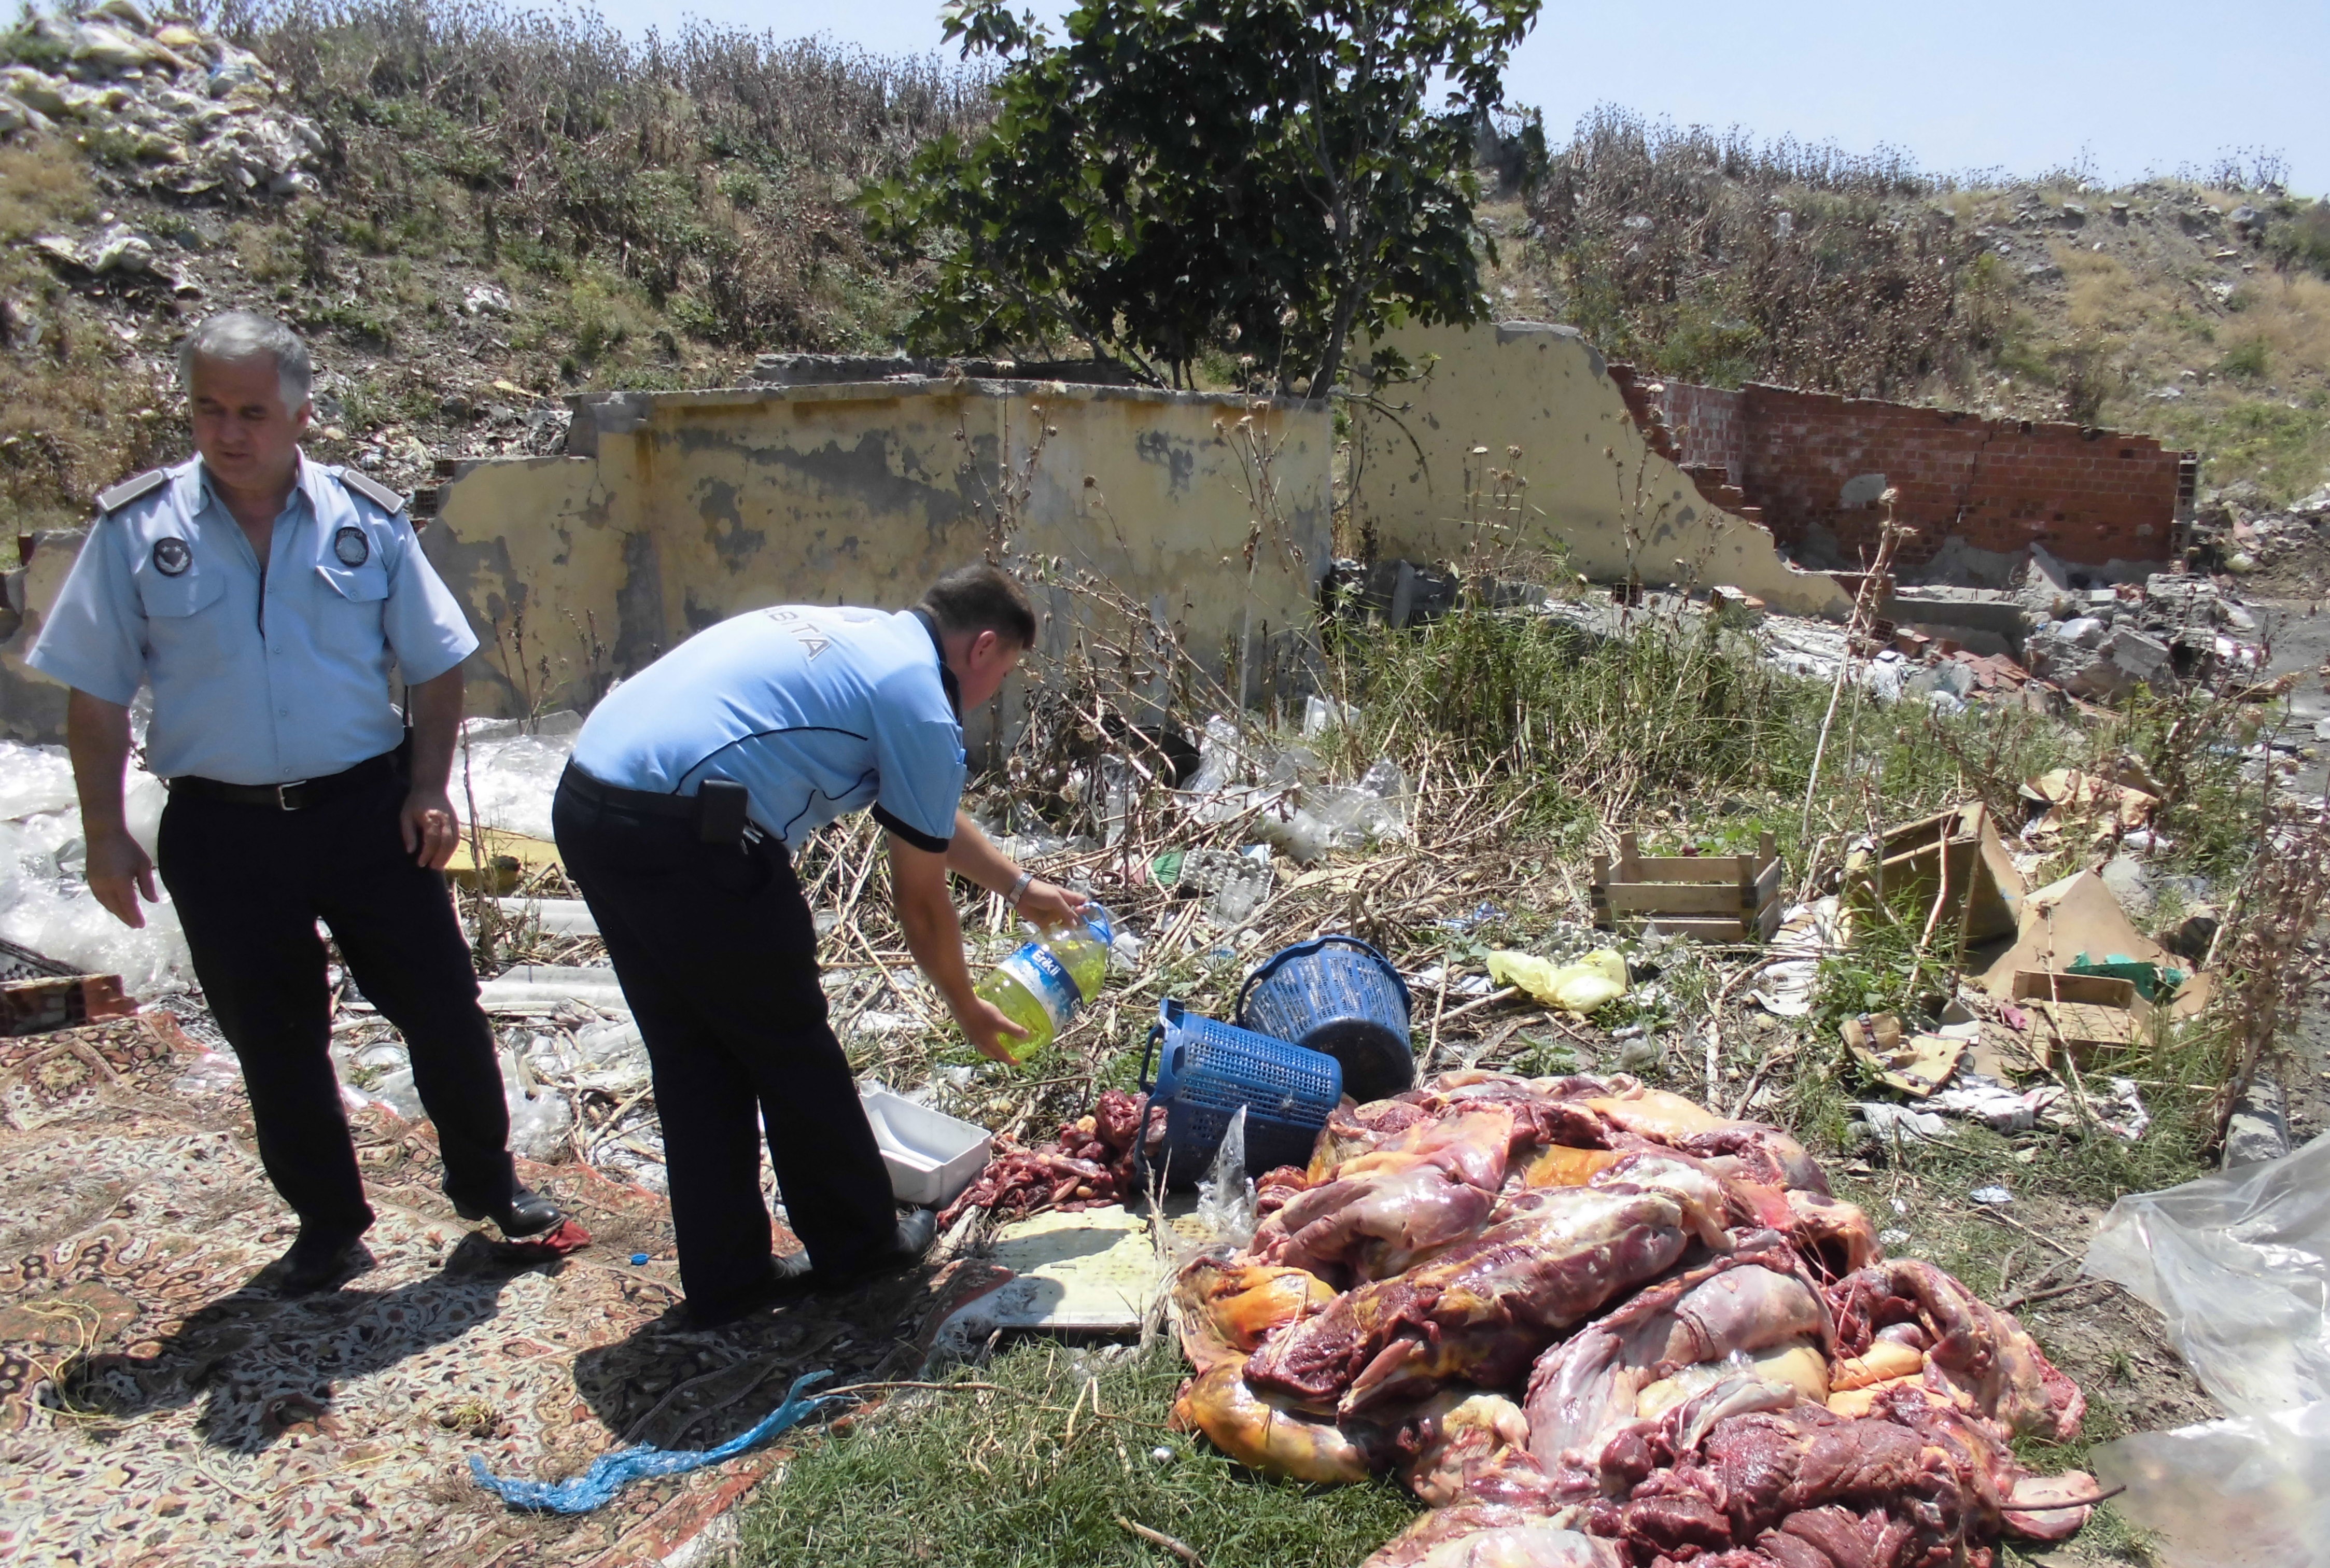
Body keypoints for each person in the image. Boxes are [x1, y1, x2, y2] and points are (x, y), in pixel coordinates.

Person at [29, 310, 563, 1294]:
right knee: (275, 1037)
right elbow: (95, 697)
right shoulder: (139, 532)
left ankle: (491, 1185)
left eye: (252, 413)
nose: (229, 433)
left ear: (300, 416)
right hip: (221, 828)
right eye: (208, 410)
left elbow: (440, 664)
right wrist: (105, 831)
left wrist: (427, 785)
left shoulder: (365, 520)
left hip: (364, 811)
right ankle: (327, 1223)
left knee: (443, 1007)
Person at [554, 565, 1085, 1328]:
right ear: (984, 648)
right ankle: (859, 1244)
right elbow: (921, 901)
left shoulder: (865, 641)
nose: (996, 688)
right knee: (788, 1043)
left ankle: (727, 1278)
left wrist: (1017, 886)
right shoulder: (920, 704)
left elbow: (923, 815)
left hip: (593, 803)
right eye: (1004, 672)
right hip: (691, 836)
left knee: (694, 1051)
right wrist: (966, 1005)